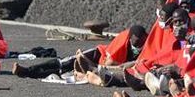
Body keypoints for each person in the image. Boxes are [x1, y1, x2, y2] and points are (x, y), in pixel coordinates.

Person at [12, 25, 148, 79]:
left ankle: (29, 74)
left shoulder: (148, 44)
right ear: (129, 39)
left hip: (102, 68)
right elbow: (110, 61)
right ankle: (28, 70)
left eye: (140, 44)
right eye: (135, 44)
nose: (137, 46)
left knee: (66, 75)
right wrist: (90, 64)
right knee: (65, 62)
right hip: (100, 55)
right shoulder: (123, 38)